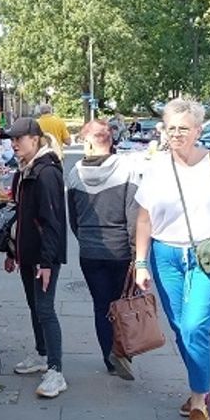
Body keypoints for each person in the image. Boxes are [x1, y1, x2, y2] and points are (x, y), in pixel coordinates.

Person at [133, 98, 210, 420]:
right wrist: (140, 262)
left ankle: (200, 400)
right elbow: (144, 219)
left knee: (194, 327)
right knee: (178, 328)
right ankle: (201, 386)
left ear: (199, 130)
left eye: (183, 129)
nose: (176, 134)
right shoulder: (156, 165)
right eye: (171, 128)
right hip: (166, 256)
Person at [1, 116, 68, 398]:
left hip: (43, 256)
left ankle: (56, 370)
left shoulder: (46, 172)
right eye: (12, 139)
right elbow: (18, 214)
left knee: (45, 308)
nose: (14, 144)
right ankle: (42, 355)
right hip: (27, 251)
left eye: (19, 139)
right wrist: (11, 250)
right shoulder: (24, 171)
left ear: (35, 139)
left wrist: (47, 262)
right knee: (34, 305)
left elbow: (52, 221)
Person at [66, 119, 139, 378]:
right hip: (120, 250)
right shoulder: (127, 169)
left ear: (88, 142)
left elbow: (72, 218)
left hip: (90, 250)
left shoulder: (75, 173)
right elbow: (134, 215)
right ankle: (124, 353)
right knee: (122, 303)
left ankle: (110, 357)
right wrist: (135, 253)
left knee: (101, 305)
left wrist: (84, 238)